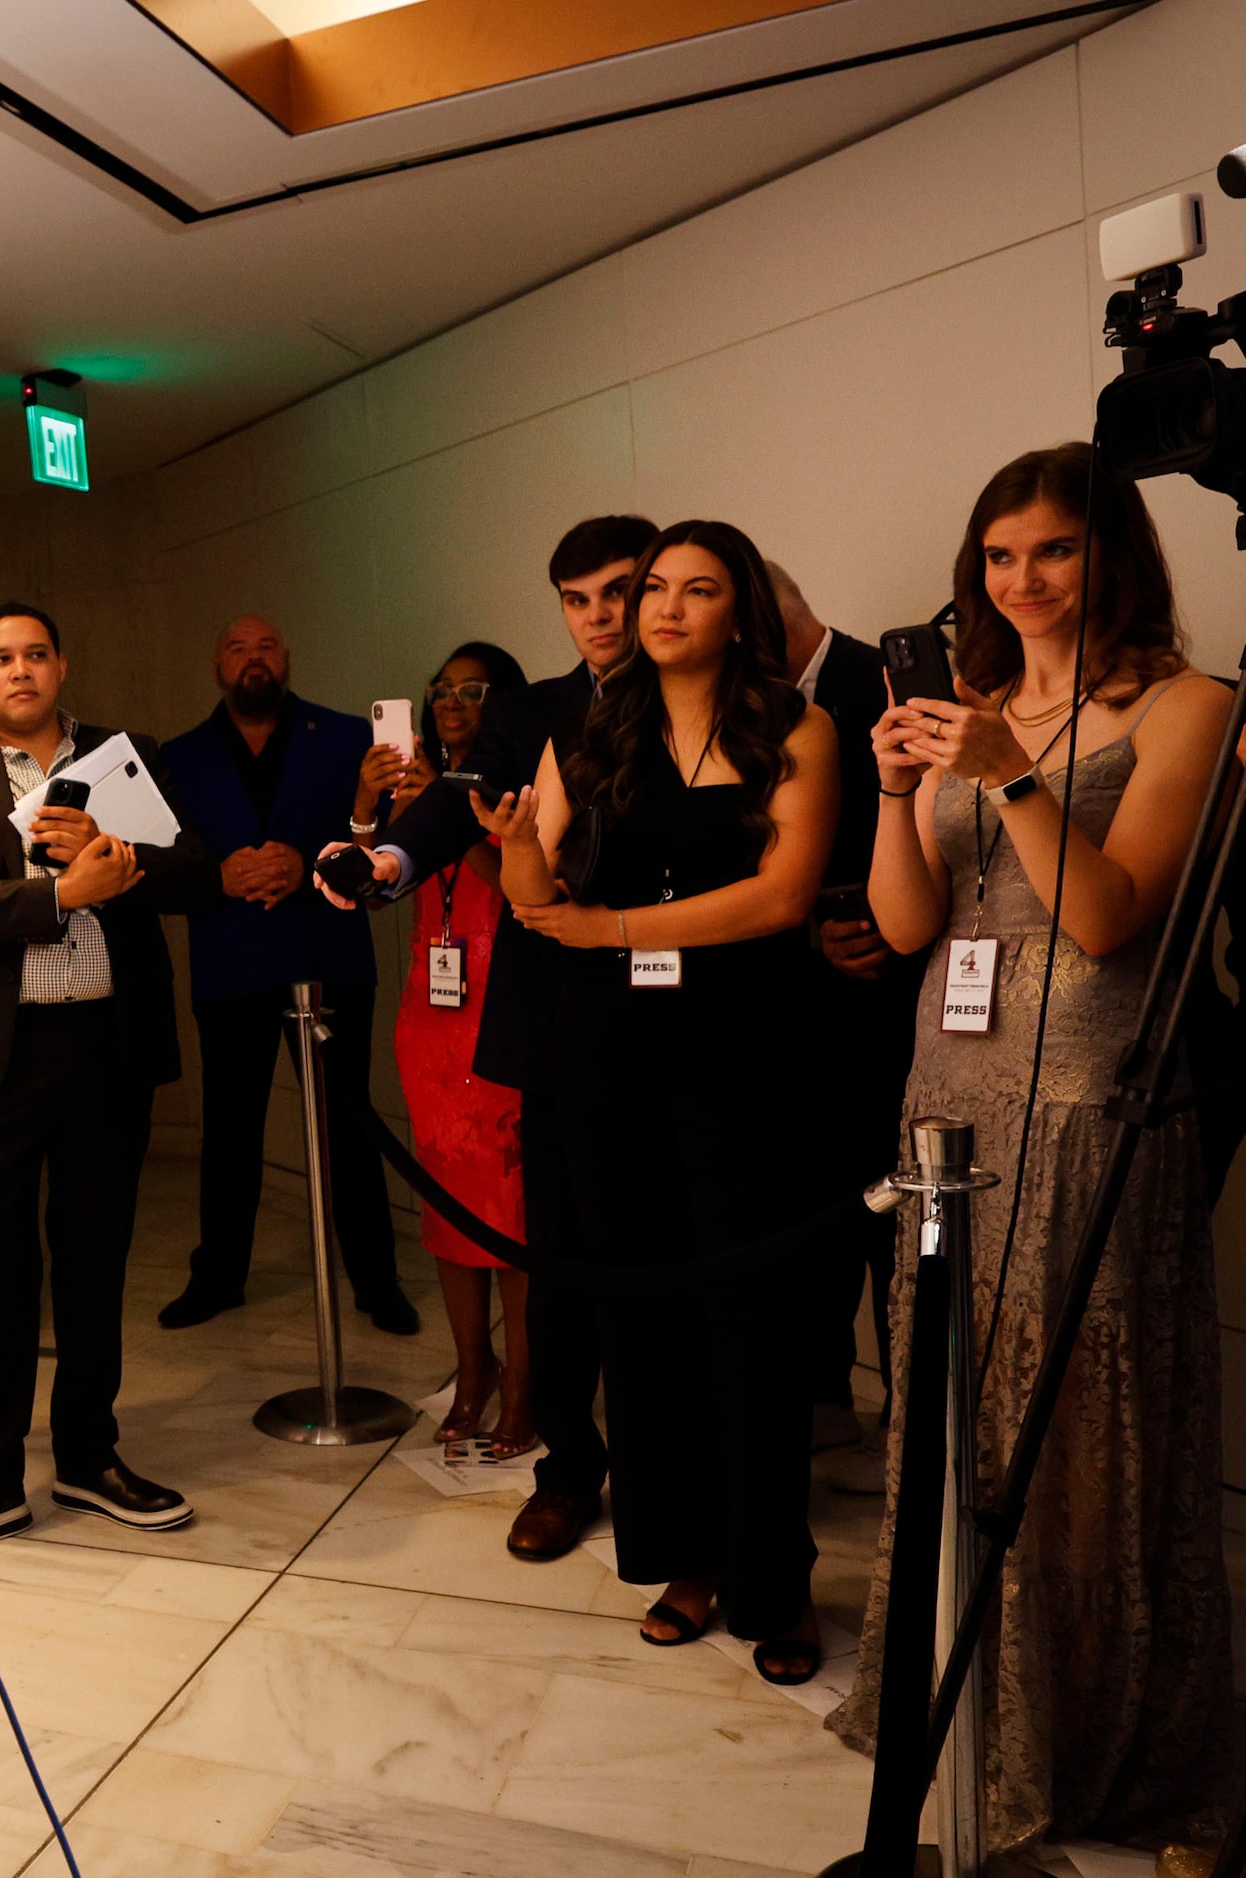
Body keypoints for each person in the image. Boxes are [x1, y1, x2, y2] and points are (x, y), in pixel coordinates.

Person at [831, 443, 1234, 1859]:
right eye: (997, 557)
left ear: (1109, 550)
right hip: (948, 1102)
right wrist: (894, 789)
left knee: (1081, 1441)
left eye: (1050, 551)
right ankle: (969, 1725)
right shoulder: (978, 707)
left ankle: (1109, 1751)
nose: (1021, 581)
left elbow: (1110, 914)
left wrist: (1005, 777)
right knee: (953, 1421)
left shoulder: (1190, 705)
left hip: (1084, 1105)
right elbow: (900, 929)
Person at [481, 518, 837, 1686]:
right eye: (654, 593)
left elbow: (780, 900)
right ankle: (685, 1558)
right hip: (609, 1049)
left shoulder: (798, 727)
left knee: (753, 1315)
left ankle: (771, 1578)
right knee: (644, 1311)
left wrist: (612, 928)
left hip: (750, 1044)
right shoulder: (590, 725)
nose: (666, 609)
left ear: (744, 608)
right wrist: (514, 854)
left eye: (697, 588)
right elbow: (539, 896)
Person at [345, 513, 657, 1563]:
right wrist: (386, 863)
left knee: (667, 1273)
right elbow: (460, 810)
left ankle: (682, 1496)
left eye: (620, 591)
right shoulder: (542, 709)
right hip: (555, 1017)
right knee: (558, 1263)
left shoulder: (711, 699)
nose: (601, 616)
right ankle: (570, 1470)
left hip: (679, 1019)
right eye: (578, 599)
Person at [0, 604, 215, 1563]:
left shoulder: (126, 754)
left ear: (62, 666)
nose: (20, 670)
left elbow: (192, 874)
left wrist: (110, 862)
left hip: (105, 1047)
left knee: (94, 1257)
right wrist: (56, 895)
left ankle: (87, 1454)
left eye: (35, 654)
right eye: (0, 658)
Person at [156, 614, 417, 1335]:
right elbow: (159, 863)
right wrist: (219, 874)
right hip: (229, 960)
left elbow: (384, 836)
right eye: (236, 647)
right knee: (229, 1128)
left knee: (347, 1124)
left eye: (265, 646)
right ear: (217, 664)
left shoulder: (342, 739)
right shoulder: (177, 756)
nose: (252, 658)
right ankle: (217, 1279)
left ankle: (376, 1281)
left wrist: (304, 861)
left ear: (286, 658)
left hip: (327, 952)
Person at [767, 561, 924, 1464]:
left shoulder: (888, 681)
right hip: (793, 1001)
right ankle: (822, 1396)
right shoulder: (749, 709)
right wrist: (807, 942)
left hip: (904, 997)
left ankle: (911, 1416)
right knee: (813, 1210)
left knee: (901, 1220)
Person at [372, 642, 534, 1447]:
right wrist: (371, 811)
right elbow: (369, 887)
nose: (451, 701)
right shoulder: (411, 785)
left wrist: (449, 813)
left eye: (473, 689)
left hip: (502, 1011)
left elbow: (520, 889)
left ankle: (526, 1383)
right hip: (428, 1016)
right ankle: (473, 1367)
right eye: (441, 688)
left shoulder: (525, 786)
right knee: (445, 1210)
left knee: (511, 1215)